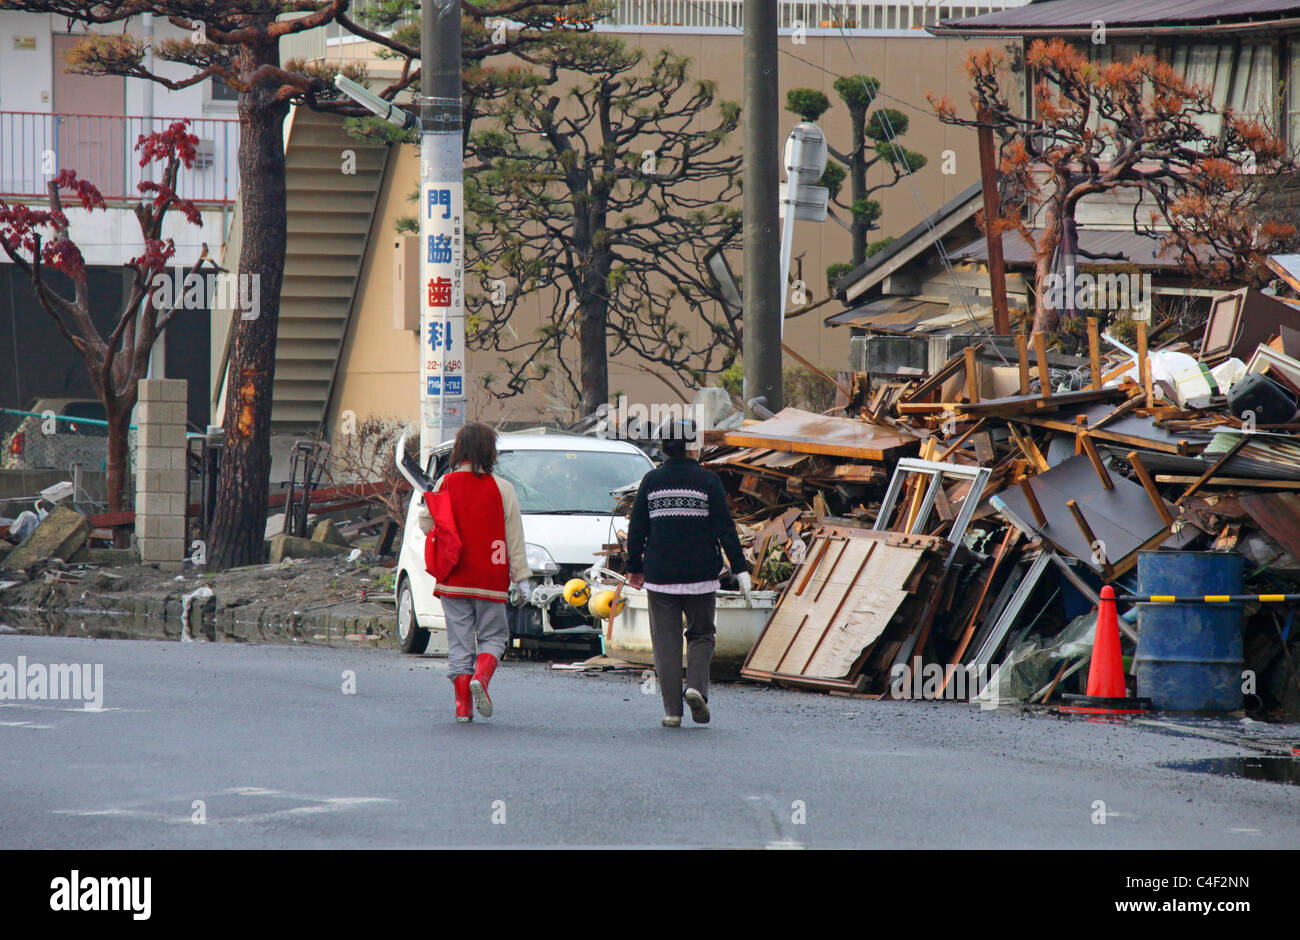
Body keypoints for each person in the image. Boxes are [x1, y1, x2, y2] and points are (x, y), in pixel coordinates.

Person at [625, 418, 750, 727]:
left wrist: (634, 569)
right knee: (702, 635)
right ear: (693, 446)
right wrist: (740, 567)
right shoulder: (708, 481)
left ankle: (671, 712)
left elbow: (637, 529)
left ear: (665, 448)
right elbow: (725, 529)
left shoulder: (650, 481)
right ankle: (695, 687)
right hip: (700, 576)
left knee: (666, 644)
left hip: (661, 576)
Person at [416, 422, 531, 723]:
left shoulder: (445, 483)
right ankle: (482, 677)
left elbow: (427, 523)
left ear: (459, 450)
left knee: (459, 643)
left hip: (454, 577)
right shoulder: (503, 488)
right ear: (489, 450)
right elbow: (513, 537)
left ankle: (463, 708)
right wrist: (522, 578)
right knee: (494, 637)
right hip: (490, 579)